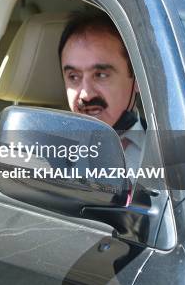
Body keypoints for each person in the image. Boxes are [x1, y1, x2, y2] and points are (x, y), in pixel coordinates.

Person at [58, 10, 145, 169]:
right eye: (74, 77)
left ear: (138, 79)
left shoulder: (174, 156)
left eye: (101, 75)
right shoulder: (41, 152)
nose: (85, 94)